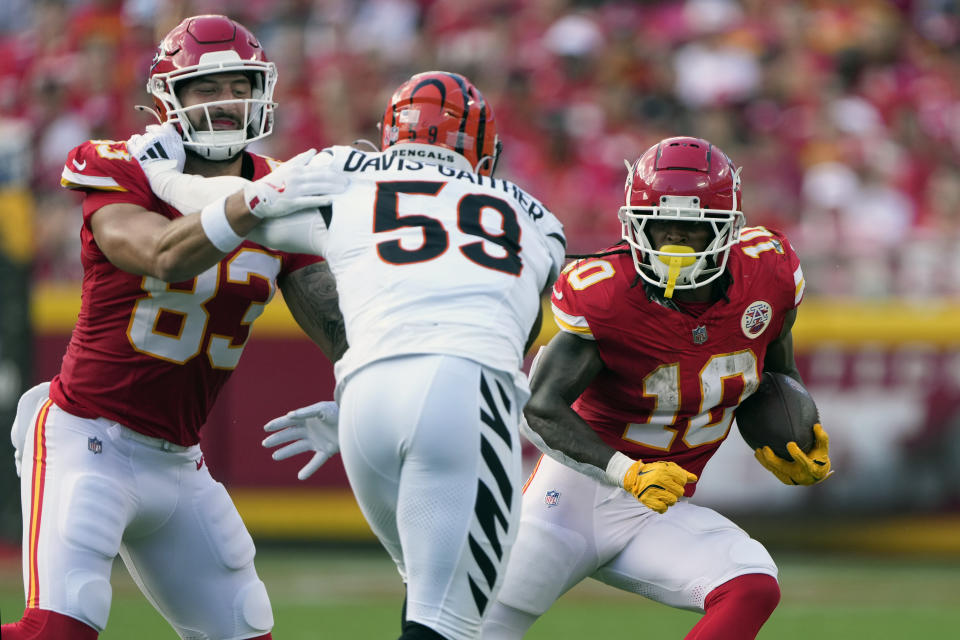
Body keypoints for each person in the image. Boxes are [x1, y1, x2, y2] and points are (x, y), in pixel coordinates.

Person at [134, 70, 568, 640]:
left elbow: (231, 207)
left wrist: (161, 174)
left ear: (390, 133)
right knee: (453, 625)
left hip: (364, 400)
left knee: (425, 595)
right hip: (464, 393)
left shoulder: (344, 173)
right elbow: (529, 325)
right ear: (484, 151)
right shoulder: (537, 219)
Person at [3, 14, 347, 640]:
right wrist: (255, 203)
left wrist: (365, 390)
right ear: (170, 98)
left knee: (244, 632)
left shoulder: (276, 185)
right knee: (56, 630)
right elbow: (161, 254)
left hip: (179, 460)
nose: (226, 102)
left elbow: (334, 320)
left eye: (238, 85)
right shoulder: (125, 166)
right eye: (206, 88)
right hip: (88, 438)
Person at [481, 136, 833, 639]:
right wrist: (626, 472)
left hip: (658, 511)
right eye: (657, 226)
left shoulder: (769, 273)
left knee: (751, 584)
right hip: (574, 499)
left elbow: (775, 375)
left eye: (690, 229)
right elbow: (540, 409)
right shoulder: (605, 293)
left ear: (728, 229)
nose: (671, 243)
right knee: (470, 628)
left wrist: (796, 437)